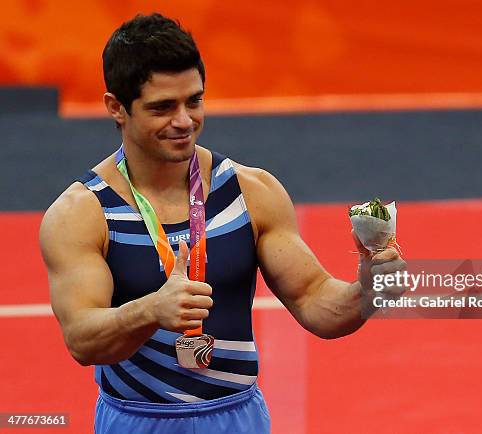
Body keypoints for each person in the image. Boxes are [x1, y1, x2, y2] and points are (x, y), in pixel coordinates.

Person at [39, 13, 406, 434]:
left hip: (237, 418)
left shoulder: (251, 191)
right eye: (162, 107)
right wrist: (151, 311)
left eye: (193, 101)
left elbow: (316, 304)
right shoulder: (82, 214)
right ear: (116, 108)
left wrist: (367, 290)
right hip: (138, 421)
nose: (183, 121)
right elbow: (82, 339)